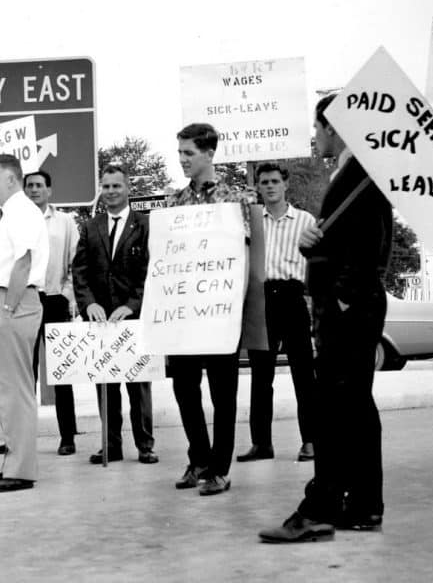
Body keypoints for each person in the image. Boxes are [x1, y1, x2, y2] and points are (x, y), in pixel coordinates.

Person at [259, 93, 392, 542]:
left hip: (348, 309)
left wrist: (340, 300)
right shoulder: (353, 174)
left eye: (317, 128)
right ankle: (364, 503)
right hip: (352, 306)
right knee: (354, 406)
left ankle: (321, 507)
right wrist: (315, 245)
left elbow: (371, 247)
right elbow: (347, 242)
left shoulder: (361, 174)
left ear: (333, 127)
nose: (314, 136)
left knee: (334, 409)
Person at [166, 122, 251, 496]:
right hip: (184, 313)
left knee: (222, 393)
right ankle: (198, 458)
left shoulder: (237, 199)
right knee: (185, 389)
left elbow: (246, 254)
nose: (182, 160)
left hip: (221, 312)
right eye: (180, 153)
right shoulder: (174, 203)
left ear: (209, 154)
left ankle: (219, 467)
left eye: (189, 153)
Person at [72, 164, 157, 465]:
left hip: (131, 319)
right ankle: (111, 446)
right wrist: (88, 304)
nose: (110, 192)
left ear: (128, 188)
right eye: (105, 187)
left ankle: (145, 445)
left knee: (138, 385)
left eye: (116, 186)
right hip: (100, 321)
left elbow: (150, 273)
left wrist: (131, 306)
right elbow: (79, 271)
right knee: (105, 385)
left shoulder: (144, 225)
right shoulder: (90, 226)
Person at [0, 154, 48, 493]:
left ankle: (21, 469)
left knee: (15, 389)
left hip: (11, 300)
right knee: (5, 388)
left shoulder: (22, 211)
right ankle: (13, 461)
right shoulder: (10, 213)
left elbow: (24, 261)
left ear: (11, 179)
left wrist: (7, 306)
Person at [239, 162, 317, 464]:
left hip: (292, 297)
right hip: (262, 299)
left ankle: (311, 441)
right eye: (264, 182)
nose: (269, 186)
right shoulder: (251, 222)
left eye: (274, 181)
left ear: (286, 184)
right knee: (261, 376)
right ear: (257, 186)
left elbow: (316, 263)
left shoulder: (305, 220)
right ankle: (261, 443)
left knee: (303, 374)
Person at [19, 169, 81, 456]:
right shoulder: (14, 221)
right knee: (23, 374)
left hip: (55, 300)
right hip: (25, 300)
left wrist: (68, 297)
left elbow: (75, 263)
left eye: (39, 185)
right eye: (29, 185)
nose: (34, 190)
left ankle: (67, 436)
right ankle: (19, 439)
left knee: (61, 374)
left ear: (49, 190)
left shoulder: (65, 222)